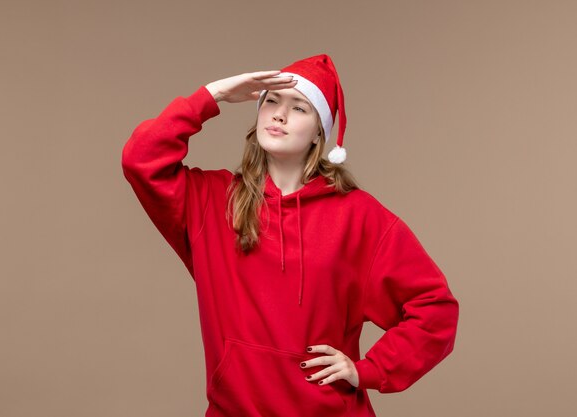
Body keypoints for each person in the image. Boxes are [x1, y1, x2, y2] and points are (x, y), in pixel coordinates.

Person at [121, 54, 459, 417]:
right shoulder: (212, 201)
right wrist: (212, 95)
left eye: (299, 108)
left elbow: (435, 310)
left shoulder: (359, 216)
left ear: (319, 132)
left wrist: (368, 371)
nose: (279, 114)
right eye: (271, 101)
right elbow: (141, 158)